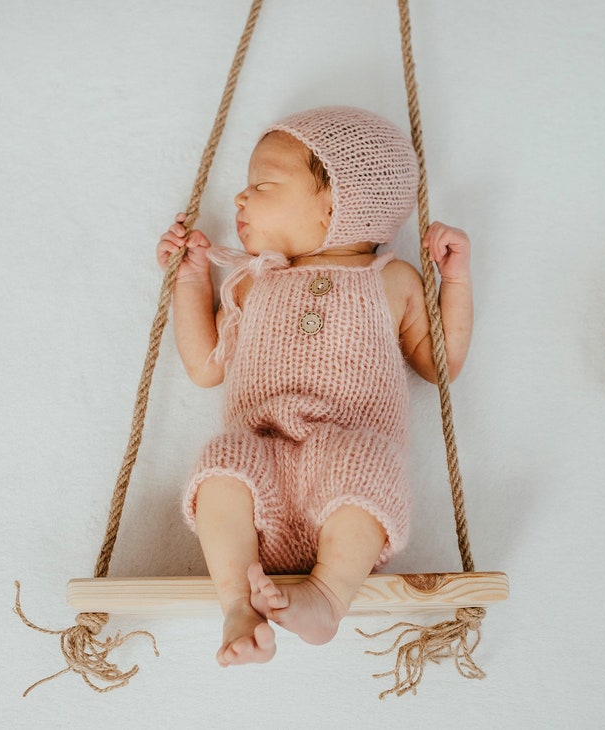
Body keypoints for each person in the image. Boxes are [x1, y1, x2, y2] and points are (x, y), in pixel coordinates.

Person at [155, 106, 473, 667]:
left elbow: (440, 365)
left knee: (372, 462)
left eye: (261, 184)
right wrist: (190, 279)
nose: (239, 200)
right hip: (262, 464)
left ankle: (327, 594)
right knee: (221, 464)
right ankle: (238, 605)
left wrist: (455, 279)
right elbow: (206, 365)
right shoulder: (255, 282)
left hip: (345, 484)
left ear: (336, 207)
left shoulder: (391, 280)